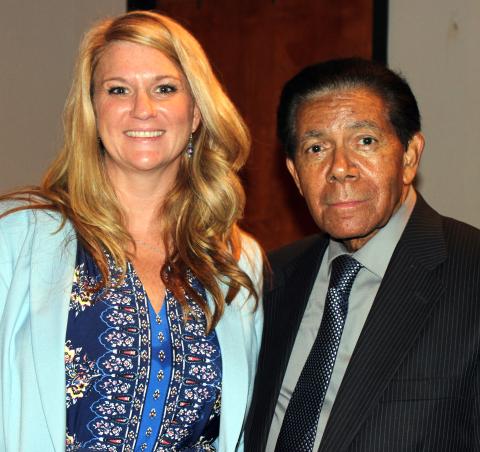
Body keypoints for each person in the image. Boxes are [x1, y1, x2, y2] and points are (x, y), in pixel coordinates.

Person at [0, 10, 263, 452]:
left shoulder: (236, 260)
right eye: (118, 90)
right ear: (93, 111)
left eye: (165, 88)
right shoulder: (18, 235)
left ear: (196, 111)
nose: (143, 108)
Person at [245, 58, 480, 451]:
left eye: (365, 141)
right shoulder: (269, 279)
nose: (340, 169)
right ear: (294, 173)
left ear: (409, 156)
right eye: (316, 148)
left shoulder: (470, 275)